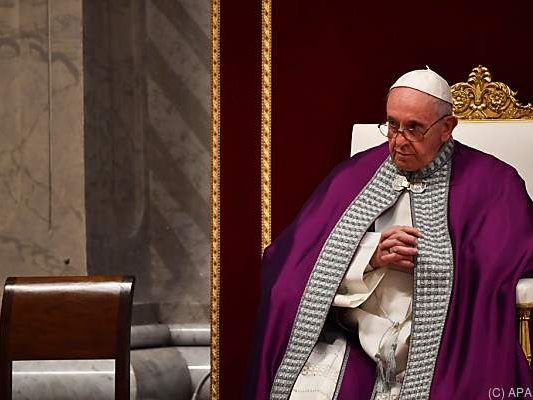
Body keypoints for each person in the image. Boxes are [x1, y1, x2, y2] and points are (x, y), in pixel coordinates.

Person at [246, 68, 533, 400]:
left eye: (414, 128)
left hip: (447, 343)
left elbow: (512, 256)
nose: (398, 140)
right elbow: (288, 263)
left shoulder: (494, 183)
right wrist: (371, 256)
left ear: (447, 128)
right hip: (357, 338)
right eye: (392, 125)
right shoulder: (353, 175)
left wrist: (442, 264)